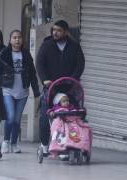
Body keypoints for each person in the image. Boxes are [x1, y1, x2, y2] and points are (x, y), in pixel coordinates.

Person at [36, 20, 85, 155]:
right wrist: (45, 79)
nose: (55, 33)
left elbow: (80, 64)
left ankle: (69, 145)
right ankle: (45, 144)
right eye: (54, 30)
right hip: (51, 88)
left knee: (71, 116)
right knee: (46, 118)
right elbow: (40, 63)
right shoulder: (47, 45)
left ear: (65, 32)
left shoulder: (74, 46)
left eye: (58, 30)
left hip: (69, 87)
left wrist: (73, 79)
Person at [0, 29, 40, 153]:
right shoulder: (4, 54)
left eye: (19, 37)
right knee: (10, 116)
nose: (17, 40)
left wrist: (36, 91)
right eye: (14, 37)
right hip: (8, 90)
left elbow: (32, 74)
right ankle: (5, 141)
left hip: (23, 91)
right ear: (10, 40)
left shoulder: (26, 54)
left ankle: (14, 143)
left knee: (17, 119)